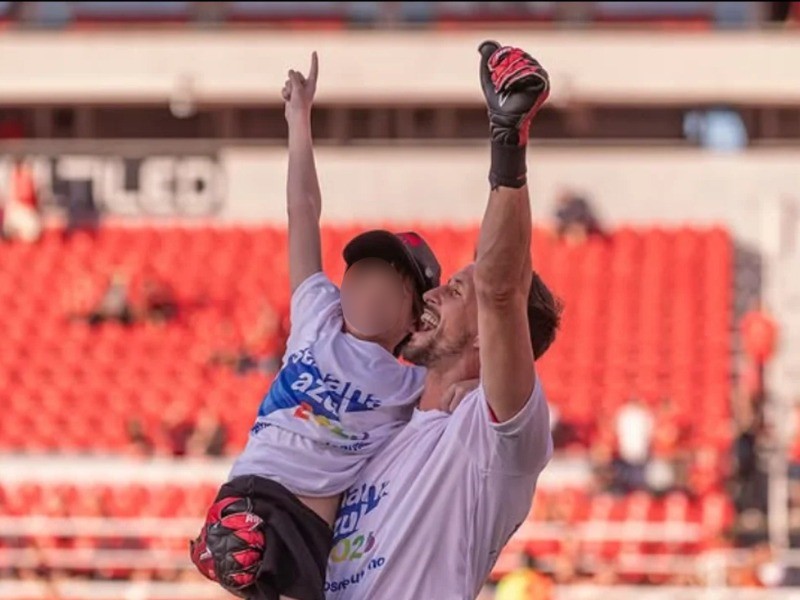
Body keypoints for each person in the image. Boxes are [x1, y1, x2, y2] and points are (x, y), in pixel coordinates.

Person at [190, 53, 443, 600]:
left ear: (416, 315)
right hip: (247, 495)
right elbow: (302, 211)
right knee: (230, 565)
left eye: (390, 283)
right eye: (361, 274)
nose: (367, 288)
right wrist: (299, 120)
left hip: (310, 527)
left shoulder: (412, 386)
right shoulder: (317, 316)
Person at [322, 42, 560, 598]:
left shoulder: (493, 441)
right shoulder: (383, 425)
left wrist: (507, 142)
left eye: (453, 291)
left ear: (486, 338)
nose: (430, 294)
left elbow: (500, 290)